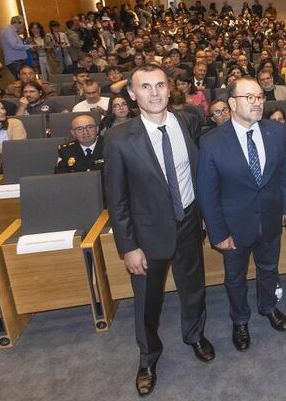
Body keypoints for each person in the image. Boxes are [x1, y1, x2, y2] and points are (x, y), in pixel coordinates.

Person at [103, 64, 213, 396]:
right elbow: (116, 199)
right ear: (133, 94)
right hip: (146, 235)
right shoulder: (119, 138)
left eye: (160, 85)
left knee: (193, 287)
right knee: (148, 302)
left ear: (170, 89)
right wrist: (128, 247)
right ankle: (148, 357)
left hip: (189, 222)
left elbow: (200, 170)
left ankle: (194, 334)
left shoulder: (189, 120)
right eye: (146, 87)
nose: (154, 93)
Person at [198, 77, 286, 351]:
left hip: (270, 218)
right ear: (232, 103)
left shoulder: (275, 132)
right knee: (236, 278)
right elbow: (208, 193)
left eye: (260, 97)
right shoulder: (212, 142)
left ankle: (268, 306)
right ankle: (240, 319)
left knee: (269, 269)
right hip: (233, 227)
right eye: (249, 97)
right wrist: (218, 233)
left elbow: (284, 174)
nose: (257, 102)